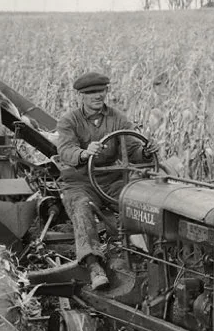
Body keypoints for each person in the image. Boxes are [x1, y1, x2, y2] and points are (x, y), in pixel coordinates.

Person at [56, 71, 158, 290]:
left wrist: (146, 152)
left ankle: (145, 257)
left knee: (137, 202)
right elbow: (65, 150)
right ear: (80, 96)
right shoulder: (69, 121)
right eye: (91, 93)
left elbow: (132, 148)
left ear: (106, 92)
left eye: (100, 91)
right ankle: (94, 266)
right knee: (81, 207)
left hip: (112, 181)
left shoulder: (117, 119)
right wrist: (84, 153)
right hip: (80, 182)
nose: (97, 96)